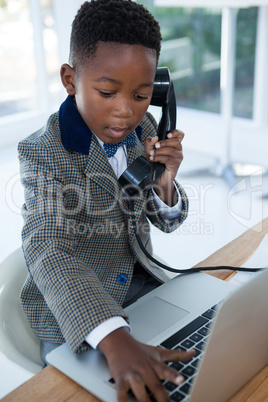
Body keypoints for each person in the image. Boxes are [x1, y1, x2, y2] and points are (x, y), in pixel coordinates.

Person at [18, 0, 194, 400]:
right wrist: (115, 339)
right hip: (76, 314)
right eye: (107, 91)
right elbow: (48, 247)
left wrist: (165, 183)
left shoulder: (146, 127)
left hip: (142, 288)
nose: (124, 111)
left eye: (141, 94)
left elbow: (166, 221)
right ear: (69, 79)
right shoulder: (44, 153)